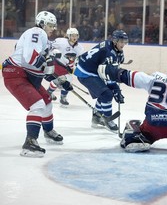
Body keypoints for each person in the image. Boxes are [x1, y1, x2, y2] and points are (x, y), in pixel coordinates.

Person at [1, 11, 73, 157]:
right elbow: (30, 57)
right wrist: (49, 67)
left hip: (26, 75)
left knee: (47, 102)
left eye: (54, 25)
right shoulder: (37, 32)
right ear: (41, 23)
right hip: (16, 74)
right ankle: (29, 143)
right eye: (50, 25)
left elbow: (43, 69)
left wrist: (59, 79)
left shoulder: (44, 41)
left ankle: (48, 131)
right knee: (38, 105)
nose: (52, 28)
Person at [73, 30, 128, 132]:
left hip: (92, 70)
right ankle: (108, 119)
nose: (123, 44)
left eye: (125, 42)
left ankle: (96, 117)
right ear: (115, 41)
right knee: (107, 94)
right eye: (121, 41)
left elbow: (107, 72)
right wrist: (116, 89)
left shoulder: (111, 46)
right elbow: (108, 75)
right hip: (85, 72)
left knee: (104, 93)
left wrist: (115, 89)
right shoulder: (109, 53)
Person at [47, 28, 84, 106]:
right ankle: (58, 96)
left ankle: (50, 92)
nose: (74, 37)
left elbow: (78, 60)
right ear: (68, 36)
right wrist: (51, 54)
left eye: (76, 35)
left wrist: (72, 68)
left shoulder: (79, 48)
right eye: (72, 35)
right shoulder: (61, 42)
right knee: (67, 79)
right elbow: (49, 46)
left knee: (66, 80)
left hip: (66, 67)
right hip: (57, 63)